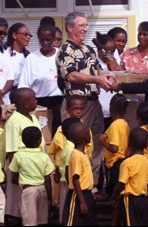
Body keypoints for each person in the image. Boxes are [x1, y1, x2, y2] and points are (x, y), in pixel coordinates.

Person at [55, 11, 112, 189]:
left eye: (86, 25)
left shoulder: (88, 49)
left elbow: (97, 72)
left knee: (95, 143)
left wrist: (110, 78)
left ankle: (92, 185)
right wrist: (97, 80)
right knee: (76, 143)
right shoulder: (65, 50)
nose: (85, 29)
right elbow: (71, 76)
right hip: (76, 104)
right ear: (70, 27)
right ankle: (75, 185)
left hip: (94, 102)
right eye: (82, 26)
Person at [3, 88, 45, 221]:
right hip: (21, 170)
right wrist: (16, 173)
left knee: (32, 208)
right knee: (19, 208)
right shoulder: (14, 121)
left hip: (35, 167)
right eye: (34, 99)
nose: (36, 101)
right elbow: (12, 150)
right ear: (25, 104)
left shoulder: (33, 117)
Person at [18, 24, 63, 136]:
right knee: (42, 136)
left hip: (60, 103)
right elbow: (24, 85)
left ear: (54, 39)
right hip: (38, 104)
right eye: (42, 40)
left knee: (59, 135)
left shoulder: (62, 55)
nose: (45, 43)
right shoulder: (32, 58)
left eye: (48, 39)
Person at [9, 126, 55, 226]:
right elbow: (48, 180)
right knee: (42, 221)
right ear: (39, 141)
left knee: (29, 222)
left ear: (23, 140)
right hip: (42, 190)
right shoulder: (44, 156)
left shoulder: (18, 156)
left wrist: (25, 183)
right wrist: (49, 199)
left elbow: (13, 178)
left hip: (28, 190)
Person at [98, 93, 130, 226]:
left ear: (111, 108)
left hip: (116, 164)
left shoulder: (116, 125)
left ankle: (114, 222)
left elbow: (115, 148)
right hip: (121, 162)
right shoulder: (125, 123)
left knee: (115, 199)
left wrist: (102, 142)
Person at [111, 127, 148, 226]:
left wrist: (113, 197)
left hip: (130, 200)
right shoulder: (146, 161)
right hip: (143, 199)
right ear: (146, 145)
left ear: (129, 143)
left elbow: (121, 183)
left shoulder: (127, 163)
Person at [63, 122, 96, 226]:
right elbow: (75, 179)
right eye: (87, 132)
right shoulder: (76, 155)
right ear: (83, 137)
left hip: (87, 194)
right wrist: (82, 201)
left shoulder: (83, 154)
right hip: (78, 195)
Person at [4, 22, 31, 92]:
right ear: (14, 35)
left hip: (22, 92)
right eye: (25, 34)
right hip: (5, 91)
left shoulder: (28, 55)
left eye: (29, 35)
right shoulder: (4, 53)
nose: (28, 37)